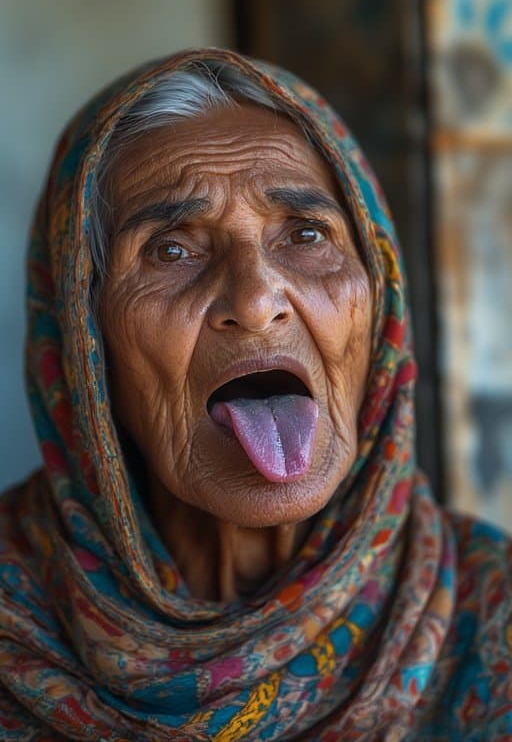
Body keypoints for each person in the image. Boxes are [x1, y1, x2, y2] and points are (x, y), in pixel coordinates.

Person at [0, 47, 510, 741]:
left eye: (306, 235)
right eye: (171, 249)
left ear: (378, 299)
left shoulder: (492, 618)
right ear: (82, 338)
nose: (256, 297)